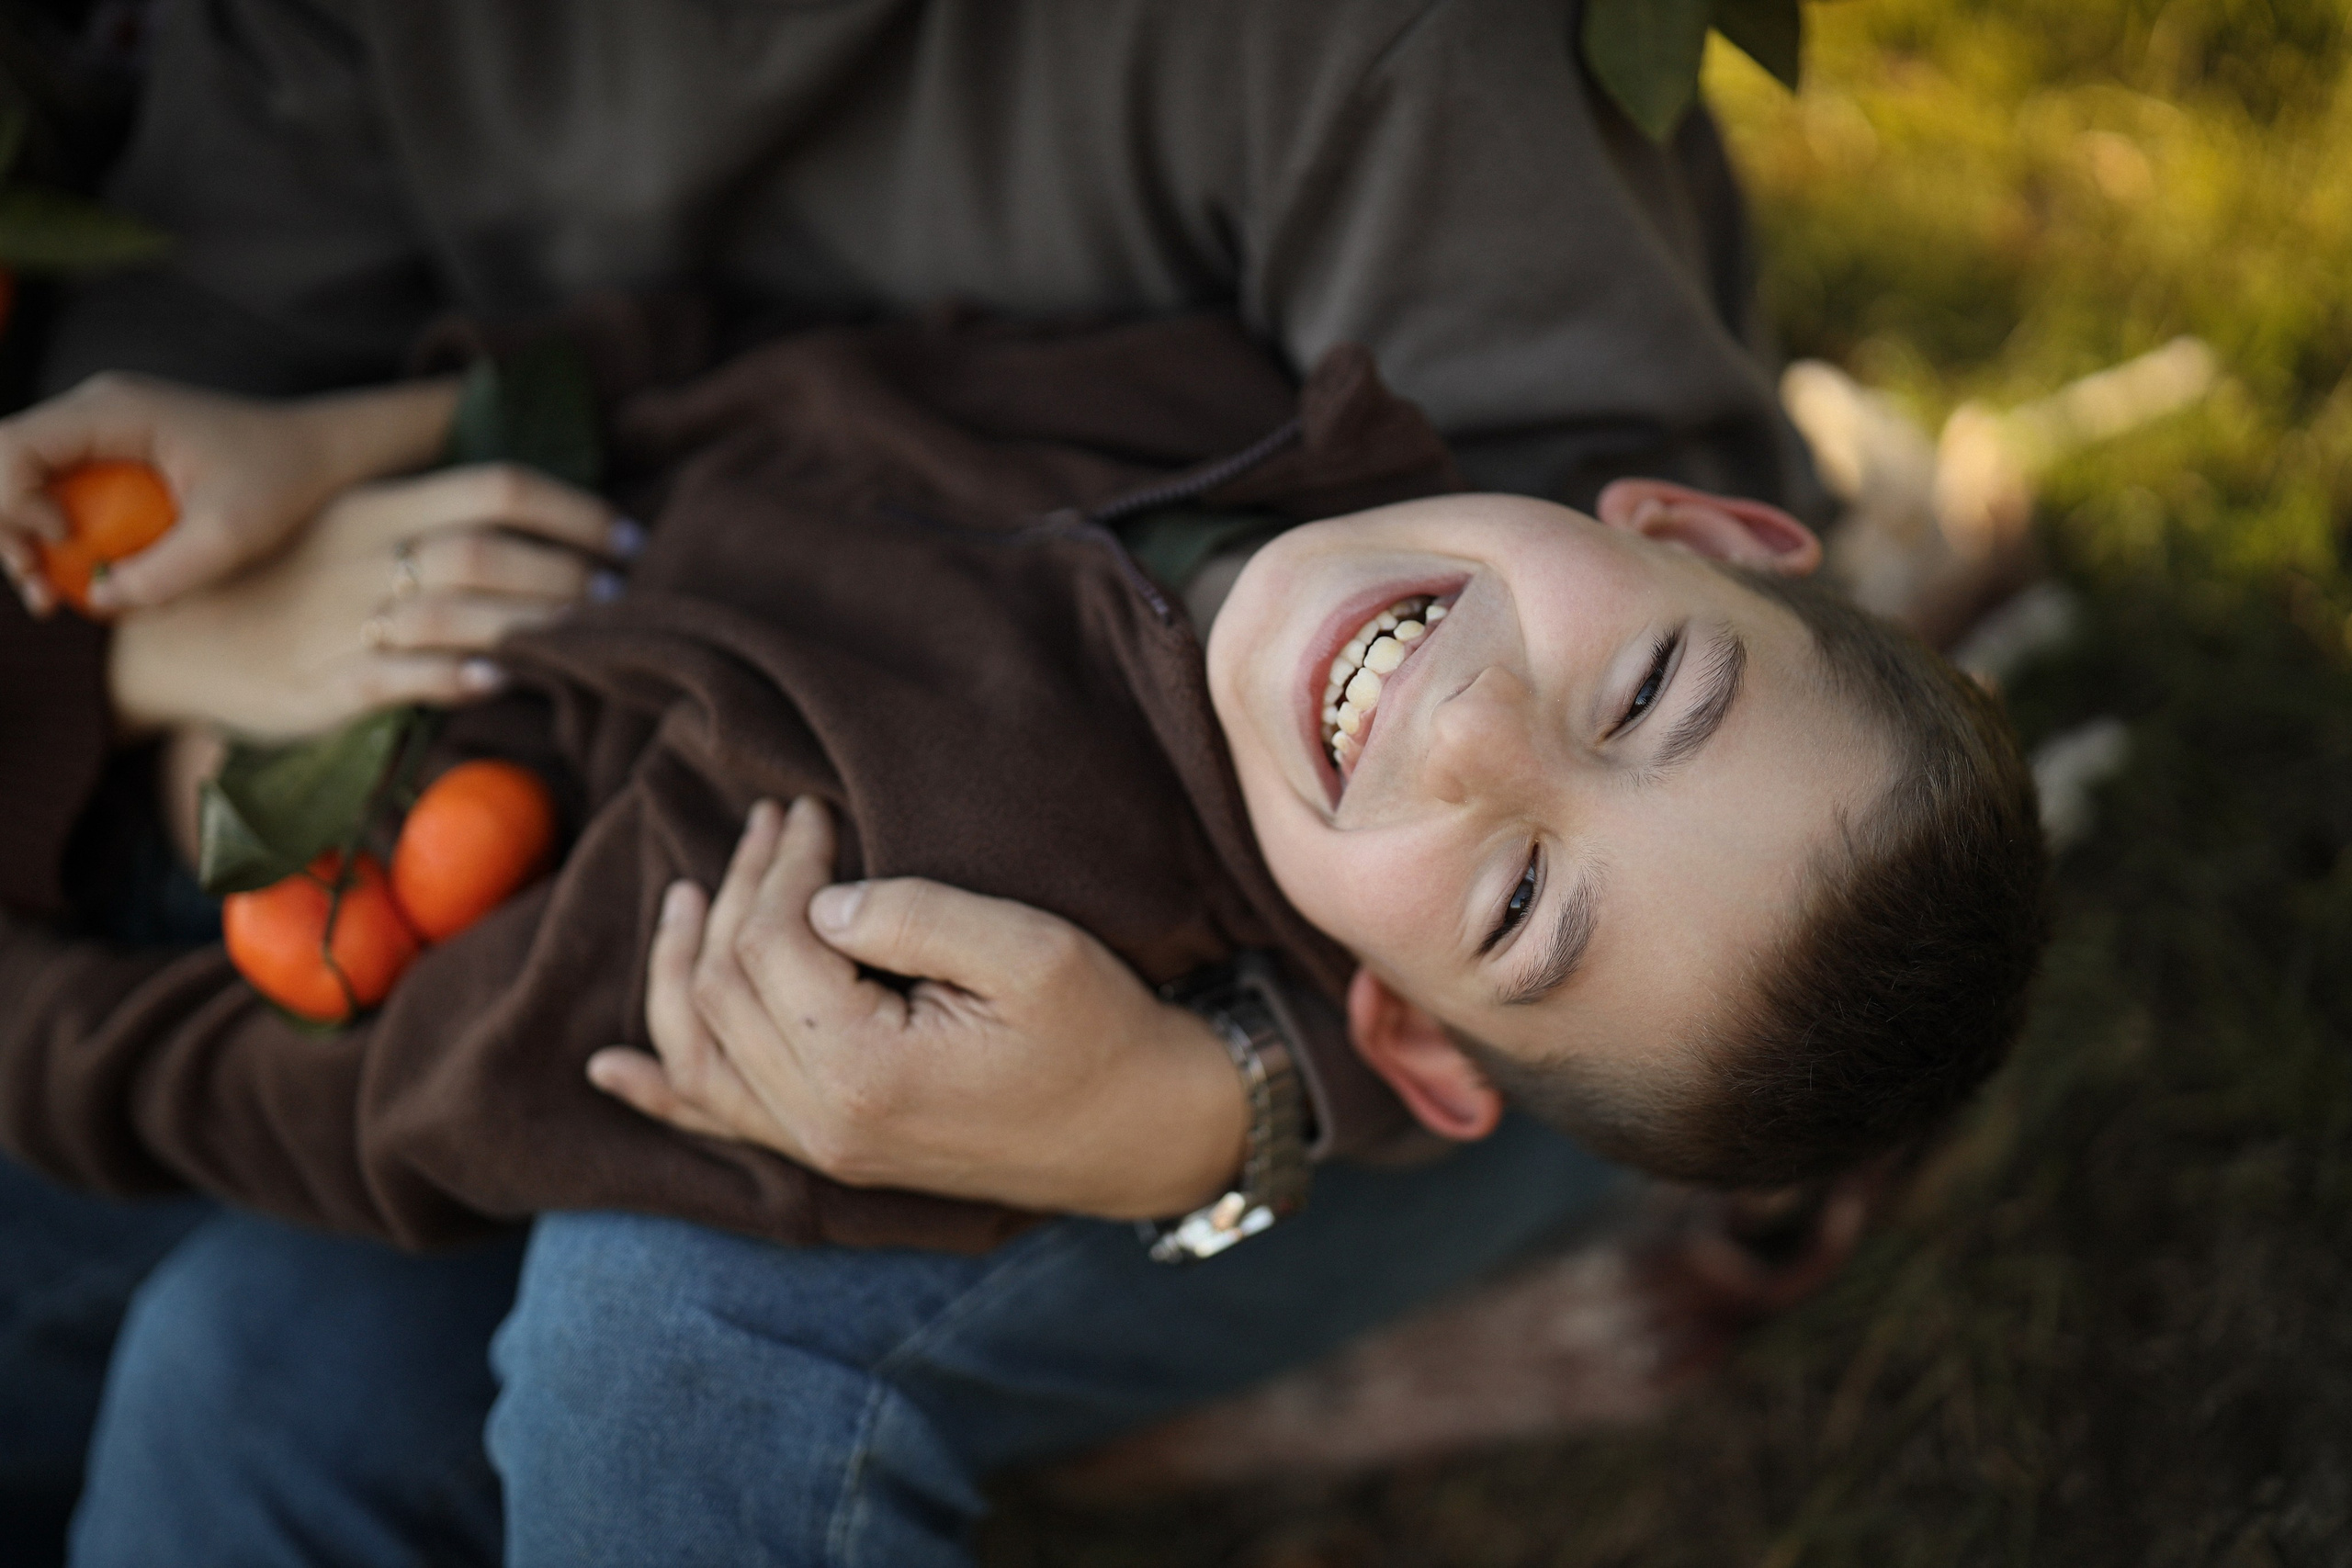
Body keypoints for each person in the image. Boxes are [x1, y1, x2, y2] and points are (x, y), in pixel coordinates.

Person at [0, 0, 1872, 1558]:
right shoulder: (1142, 452)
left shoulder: (823, 920)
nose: (1469, 733)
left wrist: (1209, 1099)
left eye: (1528, 872)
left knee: (625, 1330)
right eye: (1633, 697)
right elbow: (731, 387)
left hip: (1256, 1026)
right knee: (239, 1367)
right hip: (450, 738)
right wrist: (180, 606)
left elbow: (364, 1101)